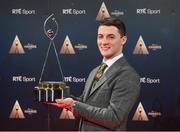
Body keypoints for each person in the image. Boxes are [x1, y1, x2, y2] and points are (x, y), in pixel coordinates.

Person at [48, 17, 140, 131]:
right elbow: (86, 104)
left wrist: (74, 104)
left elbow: (113, 118)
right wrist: (60, 96)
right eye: (100, 36)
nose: (104, 42)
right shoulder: (95, 71)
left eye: (111, 37)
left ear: (123, 40)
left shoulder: (128, 75)